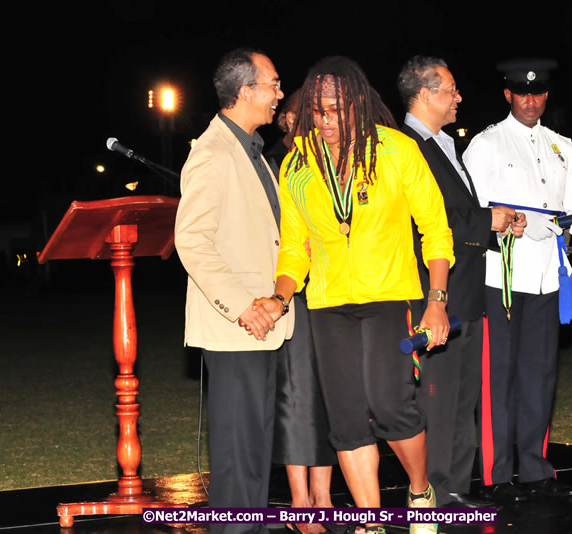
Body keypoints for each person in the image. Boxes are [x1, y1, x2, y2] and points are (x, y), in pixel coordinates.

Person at [253, 56, 454, 534]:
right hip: (327, 303)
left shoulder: (397, 151)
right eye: (317, 111)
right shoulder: (298, 163)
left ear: (359, 104)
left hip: (390, 296)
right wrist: (280, 297)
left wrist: (437, 299)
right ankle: (371, 522)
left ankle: (420, 489)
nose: (324, 120)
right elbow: (293, 249)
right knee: (345, 419)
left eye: (335, 110)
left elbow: (436, 229)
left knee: (390, 406)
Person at [462, 58, 572, 503]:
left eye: (538, 93)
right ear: (507, 94)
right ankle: (496, 474)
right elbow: (476, 211)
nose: (530, 100)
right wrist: (520, 221)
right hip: (499, 276)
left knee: (539, 374)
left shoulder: (562, 145)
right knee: (497, 377)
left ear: (546, 95)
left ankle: (537, 470)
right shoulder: (486, 145)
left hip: (546, 275)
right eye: (521, 93)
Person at [395, 56, 525, 509]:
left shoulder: (445, 144)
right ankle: (431, 493)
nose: (459, 97)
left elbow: (459, 215)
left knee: (461, 398)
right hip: (434, 292)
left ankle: (454, 490)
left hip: (467, 290)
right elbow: (431, 220)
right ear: (427, 94)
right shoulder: (405, 146)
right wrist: (488, 219)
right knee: (437, 397)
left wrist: (494, 224)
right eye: (451, 89)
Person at [174, 47, 292, 534]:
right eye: (273, 84)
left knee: (255, 446)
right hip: (237, 326)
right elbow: (192, 240)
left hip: (263, 324)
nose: (279, 94)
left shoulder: (251, 150)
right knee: (236, 450)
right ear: (246, 91)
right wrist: (243, 307)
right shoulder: (213, 152)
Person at [268, 88, 339, 534]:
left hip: (332, 292)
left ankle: (324, 496)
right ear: (288, 122)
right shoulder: (277, 164)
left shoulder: (332, 165)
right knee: (296, 399)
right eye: (302, 119)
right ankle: (300, 503)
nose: (311, 126)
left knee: (330, 397)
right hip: (291, 291)